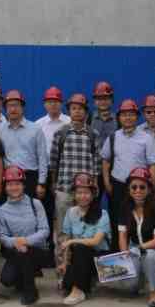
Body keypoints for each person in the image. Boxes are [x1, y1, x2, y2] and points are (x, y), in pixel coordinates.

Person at [100, 99, 155, 247]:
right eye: (124, 114)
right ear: (119, 117)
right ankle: (118, 254)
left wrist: (152, 187)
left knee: (139, 221)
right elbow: (106, 161)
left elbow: (153, 164)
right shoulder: (113, 137)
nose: (128, 117)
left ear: (136, 117)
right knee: (117, 221)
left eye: (131, 114)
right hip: (118, 186)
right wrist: (107, 182)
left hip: (140, 187)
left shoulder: (146, 138)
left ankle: (140, 252)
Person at [50, 93, 99, 272]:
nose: (77, 112)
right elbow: (54, 162)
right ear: (69, 111)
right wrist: (54, 185)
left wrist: (95, 185)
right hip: (64, 189)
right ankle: (62, 271)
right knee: (63, 232)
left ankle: (83, 271)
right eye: (74, 108)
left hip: (85, 192)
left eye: (81, 109)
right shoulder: (61, 133)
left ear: (86, 112)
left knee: (86, 230)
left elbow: (96, 163)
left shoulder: (93, 134)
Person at [113, 167, 155, 307]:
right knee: (130, 287)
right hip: (135, 250)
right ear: (129, 189)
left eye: (142, 187)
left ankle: (153, 293)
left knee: (149, 255)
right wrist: (124, 254)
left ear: (149, 189)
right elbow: (122, 235)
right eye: (134, 187)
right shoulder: (124, 207)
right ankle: (142, 278)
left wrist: (138, 248)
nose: (137, 190)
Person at [0, 166, 51, 305]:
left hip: (38, 250)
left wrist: (26, 241)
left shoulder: (35, 204)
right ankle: (24, 276)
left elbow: (45, 230)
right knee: (7, 280)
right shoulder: (2, 210)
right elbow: (2, 236)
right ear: (5, 187)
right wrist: (15, 242)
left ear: (23, 185)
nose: (14, 187)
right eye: (10, 184)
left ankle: (31, 291)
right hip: (16, 250)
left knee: (25, 254)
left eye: (17, 184)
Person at [59, 173, 110, 305]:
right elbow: (66, 239)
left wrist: (72, 241)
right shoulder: (70, 212)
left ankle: (78, 291)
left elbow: (95, 241)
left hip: (99, 259)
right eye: (79, 193)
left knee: (82, 248)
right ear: (74, 195)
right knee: (65, 286)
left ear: (92, 195)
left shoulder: (102, 214)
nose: (83, 196)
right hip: (78, 257)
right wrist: (64, 263)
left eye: (86, 193)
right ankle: (86, 282)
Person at [0, 89, 49, 201]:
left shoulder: (35, 129)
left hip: (30, 178)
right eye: (9, 106)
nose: (13, 109)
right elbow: (0, 158)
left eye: (16, 105)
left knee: (30, 210)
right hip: (8, 178)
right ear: (5, 109)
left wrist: (41, 183)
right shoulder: (1, 130)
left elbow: (42, 157)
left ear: (22, 108)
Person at [89, 81, 117, 152]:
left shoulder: (118, 119)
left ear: (112, 100)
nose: (102, 102)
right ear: (95, 101)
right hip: (93, 157)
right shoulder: (89, 118)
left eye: (106, 98)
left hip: (113, 158)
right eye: (99, 98)